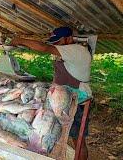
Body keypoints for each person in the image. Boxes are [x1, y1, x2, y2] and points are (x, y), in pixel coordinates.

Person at [9, 27, 91, 160]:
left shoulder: (76, 50)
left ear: (69, 38)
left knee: (78, 141)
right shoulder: (66, 51)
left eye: (58, 41)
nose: (56, 45)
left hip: (77, 101)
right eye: (54, 42)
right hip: (60, 99)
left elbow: (44, 47)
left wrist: (20, 40)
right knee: (59, 136)